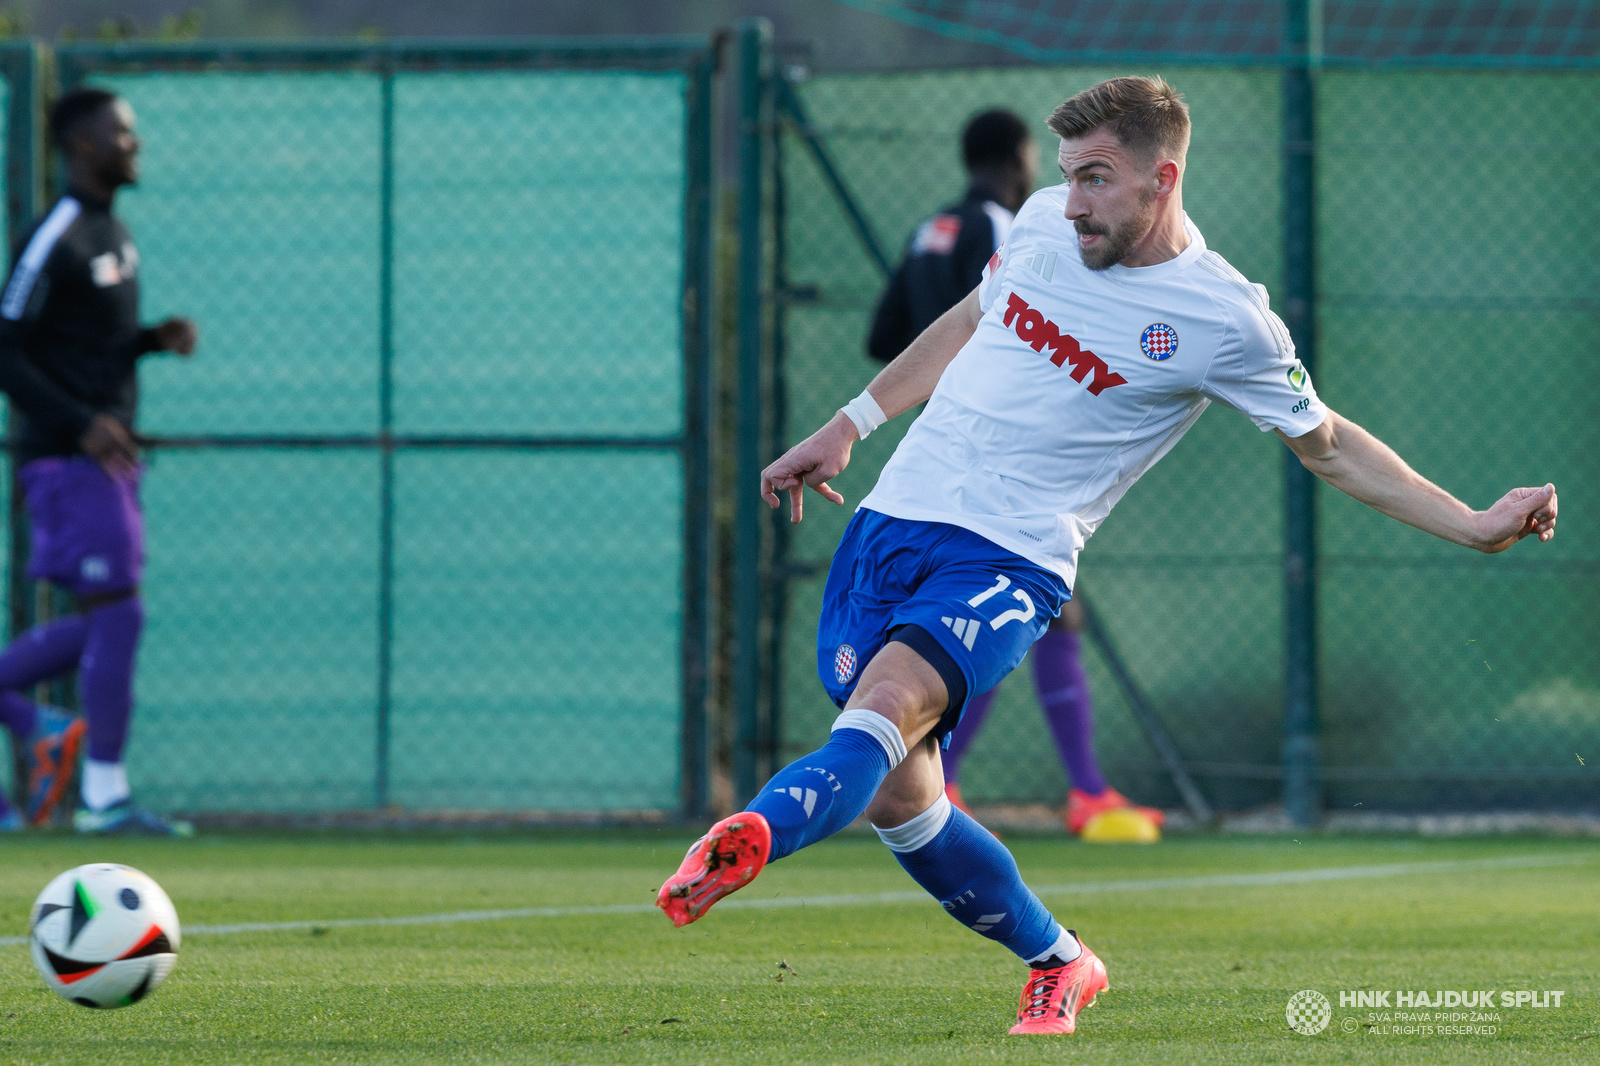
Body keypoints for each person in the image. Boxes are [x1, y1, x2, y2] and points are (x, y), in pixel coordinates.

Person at [658, 76, 1556, 1036]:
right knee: (899, 800)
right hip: (890, 527)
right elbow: (970, 320)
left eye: (1096, 179)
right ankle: (1061, 960)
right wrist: (850, 423)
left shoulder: (1224, 318)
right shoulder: (1044, 222)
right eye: (1068, 176)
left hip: (1011, 559)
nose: (1073, 198)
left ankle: (753, 833)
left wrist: (1471, 521)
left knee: (885, 707)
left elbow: (1328, 444)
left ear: (1161, 179)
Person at [866, 107, 1160, 836]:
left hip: (932, 458)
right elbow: (999, 324)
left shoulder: (930, 229)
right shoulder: (1013, 225)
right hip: (995, 463)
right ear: (1019, 158)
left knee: (1010, 620)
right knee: (1027, 615)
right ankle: (1074, 793)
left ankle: (964, 782)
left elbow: (882, 335)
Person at [0, 87, 198, 836]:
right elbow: (5, 346)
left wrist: (151, 341)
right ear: (82, 143)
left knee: (115, 621)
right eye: (122, 132)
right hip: (68, 461)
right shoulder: (53, 234)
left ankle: (51, 738)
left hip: (107, 461)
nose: (134, 143)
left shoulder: (111, 228)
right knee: (119, 614)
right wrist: (81, 423)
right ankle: (104, 800)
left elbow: (82, 345)